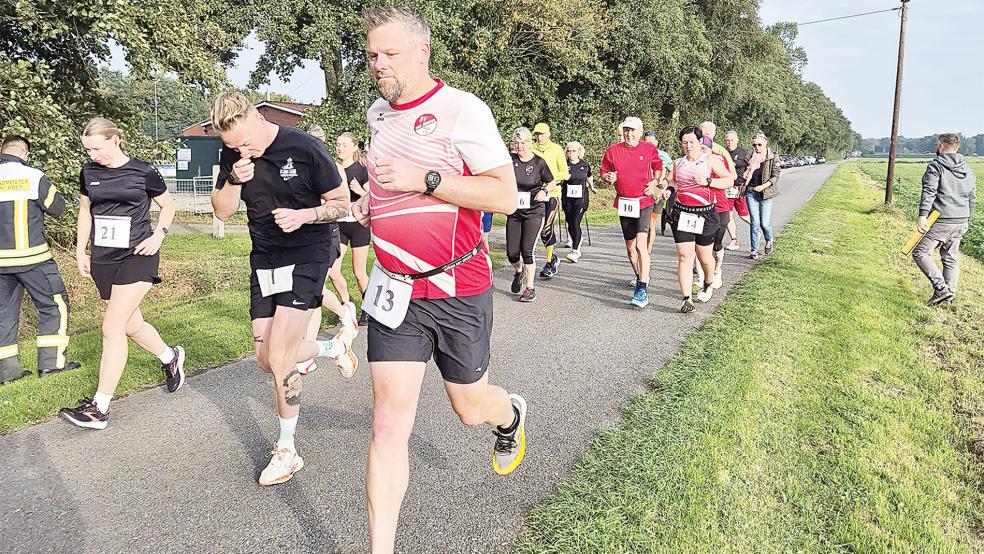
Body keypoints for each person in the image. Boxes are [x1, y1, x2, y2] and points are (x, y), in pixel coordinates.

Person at [354, 7, 528, 552]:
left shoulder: (461, 110)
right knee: (386, 423)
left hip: (457, 286)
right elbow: (386, 183)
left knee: (469, 408)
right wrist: (371, 204)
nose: (379, 64)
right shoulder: (377, 114)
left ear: (422, 53)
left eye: (390, 54)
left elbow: (503, 194)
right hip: (397, 290)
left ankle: (511, 414)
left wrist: (425, 180)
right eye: (372, 54)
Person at [210, 91, 357, 486]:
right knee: (266, 359)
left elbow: (343, 204)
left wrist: (306, 215)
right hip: (265, 257)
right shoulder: (234, 156)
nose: (242, 150)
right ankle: (334, 347)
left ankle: (287, 451)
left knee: (280, 355)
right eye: (232, 147)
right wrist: (232, 179)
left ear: (257, 117)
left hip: (309, 250)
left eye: (244, 143)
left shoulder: (306, 147)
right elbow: (222, 210)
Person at [59, 118, 184, 429]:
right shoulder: (88, 173)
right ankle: (170, 357)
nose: (93, 155)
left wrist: (158, 235)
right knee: (131, 324)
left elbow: (168, 206)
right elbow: (85, 211)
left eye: (97, 148)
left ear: (115, 140)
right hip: (104, 258)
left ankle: (99, 408)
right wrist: (80, 250)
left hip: (138, 255)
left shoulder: (142, 171)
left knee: (111, 326)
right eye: (88, 150)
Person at [0, 136, 81, 384]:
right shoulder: (34, 176)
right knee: (54, 306)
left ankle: (7, 372)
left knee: (3, 313)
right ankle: (52, 365)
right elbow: (57, 207)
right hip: (33, 259)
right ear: (25, 154)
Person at [295, 124, 359, 378]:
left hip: (325, 235)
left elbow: (340, 202)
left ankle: (346, 317)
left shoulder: (331, 167)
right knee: (311, 297)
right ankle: (308, 355)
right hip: (302, 238)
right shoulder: (298, 166)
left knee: (315, 290)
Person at [666, 126, 733, 313]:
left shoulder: (710, 160)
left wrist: (709, 182)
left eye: (691, 142)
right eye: (684, 143)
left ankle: (708, 281)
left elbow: (729, 180)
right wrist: (668, 190)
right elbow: (674, 181)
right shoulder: (678, 162)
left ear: (699, 142)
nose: (688, 146)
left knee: (704, 257)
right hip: (682, 213)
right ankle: (686, 299)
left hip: (705, 213)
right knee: (684, 256)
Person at [599, 116, 664, 308]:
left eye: (633, 130)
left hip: (644, 201)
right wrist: (607, 177)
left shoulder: (648, 148)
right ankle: (640, 276)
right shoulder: (613, 150)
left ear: (640, 131)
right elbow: (604, 172)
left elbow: (658, 168)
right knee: (630, 247)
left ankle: (642, 289)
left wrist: (655, 182)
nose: (629, 133)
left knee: (641, 246)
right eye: (626, 130)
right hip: (625, 203)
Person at [913, 133, 977, 305]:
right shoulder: (968, 170)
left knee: (920, 252)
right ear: (957, 148)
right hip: (962, 220)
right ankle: (948, 297)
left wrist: (922, 216)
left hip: (942, 220)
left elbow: (929, 192)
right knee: (950, 257)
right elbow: (972, 198)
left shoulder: (936, 167)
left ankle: (941, 288)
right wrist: (967, 219)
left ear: (941, 146)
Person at [507, 127, 555, 300]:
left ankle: (530, 288)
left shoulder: (539, 162)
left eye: (523, 143)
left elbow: (552, 182)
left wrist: (544, 192)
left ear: (530, 143)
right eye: (517, 143)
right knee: (512, 253)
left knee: (527, 250)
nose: (519, 146)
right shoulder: (510, 160)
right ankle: (519, 271)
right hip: (514, 211)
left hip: (534, 211)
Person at [531, 123, 569, 279]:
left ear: (548, 134)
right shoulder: (531, 148)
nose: (539, 137)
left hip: (553, 193)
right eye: (537, 134)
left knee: (547, 227)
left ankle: (548, 263)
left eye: (542, 134)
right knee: (539, 228)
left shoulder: (557, 149)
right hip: (535, 194)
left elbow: (565, 173)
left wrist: (550, 180)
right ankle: (552, 257)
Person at [743, 132, 780, 260]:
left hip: (766, 193)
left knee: (764, 223)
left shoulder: (773, 157)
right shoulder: (749, 156)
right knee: (754, 223)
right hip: (751, 192)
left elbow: (775, 176)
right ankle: (754, 250)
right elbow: (743, 172)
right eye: (754, 145)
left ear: (765, 143)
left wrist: (763, 186)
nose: (757, 147)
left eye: (759, 144)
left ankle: (769, 239)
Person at [643, 131, 673, 252]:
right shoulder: (640, 154)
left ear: (656, 143)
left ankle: (648, 250)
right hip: (643, 193)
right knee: (642, 224)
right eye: (646, 142)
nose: (648, 144)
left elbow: (673, 171)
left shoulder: (663, 155)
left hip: (658, 195)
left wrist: (666, 180)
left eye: (651, 142)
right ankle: (641, 247)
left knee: (651, 224)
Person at [563, 141, 591, 263]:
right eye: (569, 151)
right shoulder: (564, 164)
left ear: (579, 152)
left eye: (574, 151)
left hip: (581, 198)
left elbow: (589, 175)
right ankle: (577, 238)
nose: (571, 153)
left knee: (575, 221)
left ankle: (575, 251)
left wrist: (592, 186)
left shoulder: (584, 164)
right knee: (570, 223)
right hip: (567, 198)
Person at [722, 130, 751, 251]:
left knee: (744, 216)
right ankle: (734, 240)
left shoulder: (744, 153)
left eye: (732, 140)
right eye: (727, 140)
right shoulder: (722, 153)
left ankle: (758, 230)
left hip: (740, 189)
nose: (729, 142)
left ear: (737, 140)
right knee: (728, 215)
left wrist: (746, 185)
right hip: (727, 188)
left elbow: (751, 170)